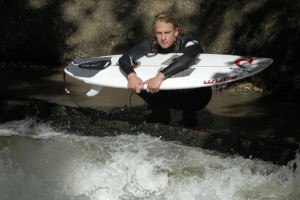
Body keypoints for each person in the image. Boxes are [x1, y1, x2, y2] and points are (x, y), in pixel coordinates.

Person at [119, 11, 212, 128]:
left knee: (190, 119)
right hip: (169, 94)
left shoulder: (188, 40)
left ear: (176, 31)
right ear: (154, 33)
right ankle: (161, 114)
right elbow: (124, 58)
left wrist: (160, 76)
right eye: (159, 33)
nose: (163, 38)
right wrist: (131, 75)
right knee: (139, 81)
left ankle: (189, 116)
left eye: (167, 33)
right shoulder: (151, 43)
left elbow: (188, 58)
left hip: (197, 97)